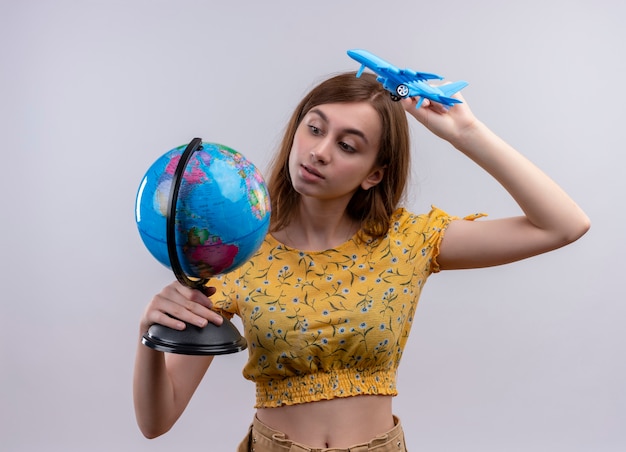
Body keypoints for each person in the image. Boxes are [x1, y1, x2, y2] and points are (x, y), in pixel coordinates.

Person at [133, 71, 589, 451]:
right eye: (314, 128)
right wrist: (147, 335)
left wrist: (466, 132)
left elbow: (562, 225)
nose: (320, 151)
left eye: (348, 145)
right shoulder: (235, 251)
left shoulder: (408, 242)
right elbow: (157, 420)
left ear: (375, 173)